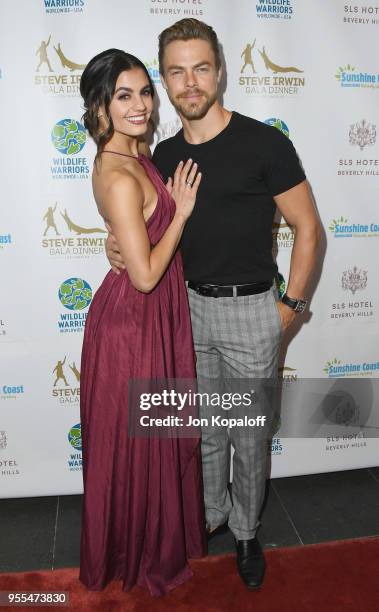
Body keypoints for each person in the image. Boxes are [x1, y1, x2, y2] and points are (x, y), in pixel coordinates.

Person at [106, 19, 321, 590]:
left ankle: (247, 532)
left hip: (254, 310)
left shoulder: (264, 142)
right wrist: (119, 247)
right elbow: (147, 227)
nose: (190, 82)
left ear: (220, 70)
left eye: (201, 67)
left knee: (247, 433)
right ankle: (209, 517)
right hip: (184, 310)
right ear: (165, 82)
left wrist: (290, 306)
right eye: (176, 71)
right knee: (201, 429)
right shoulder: (163, 154)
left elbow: (308, 229)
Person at [78, 48, 206, 597]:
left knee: (152, 443)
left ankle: (147, 544)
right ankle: (137, 554)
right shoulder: (119, 173)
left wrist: (135, 239)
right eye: (124, 95)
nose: (141, 105)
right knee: (139, 447)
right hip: (133, 327)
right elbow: (148, 275)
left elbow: (136, 251)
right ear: (101, 106)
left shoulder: (134, 155)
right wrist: (178, 214)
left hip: (151, 321)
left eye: (145, 92)